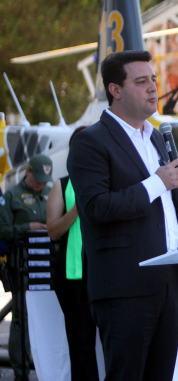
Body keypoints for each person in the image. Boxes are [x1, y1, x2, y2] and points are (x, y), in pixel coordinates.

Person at [67, 49, 178, 381]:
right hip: (125, 286)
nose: (152, 88)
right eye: (141, 81)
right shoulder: (91, 142)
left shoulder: (158, 138)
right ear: (115, 90)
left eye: (154, 80)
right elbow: (96, 208)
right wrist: (155, 183)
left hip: (170, 283)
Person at [47, 126, 100, 381]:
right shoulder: (62, 184)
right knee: (81, 346)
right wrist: (78, 209)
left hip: (107, 274)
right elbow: (53, 231)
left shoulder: (108, 180)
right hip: (74, 277)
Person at [0, 153, 53, 381]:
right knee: (21, 319)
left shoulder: (50, 195)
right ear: (28, 171)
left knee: (46, 318)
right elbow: (2, 231)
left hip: (49, 267)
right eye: (37, 178)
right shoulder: (12, 196)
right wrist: (27, 227)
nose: (40, 184)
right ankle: (21, 373)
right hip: (23, 267)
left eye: (44, 180)